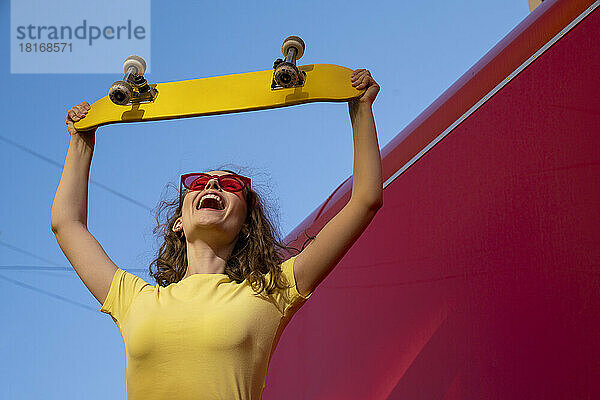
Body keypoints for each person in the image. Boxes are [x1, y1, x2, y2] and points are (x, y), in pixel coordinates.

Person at [51, 69, 382, 399]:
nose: (211, 184)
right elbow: (67, 225)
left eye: (231, 185)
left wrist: (361, 110)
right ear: (178, 223)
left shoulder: (271, 294)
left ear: (246, 223)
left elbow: (365, 200)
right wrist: (80, 144)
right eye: (197, 184)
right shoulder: (134, 299)